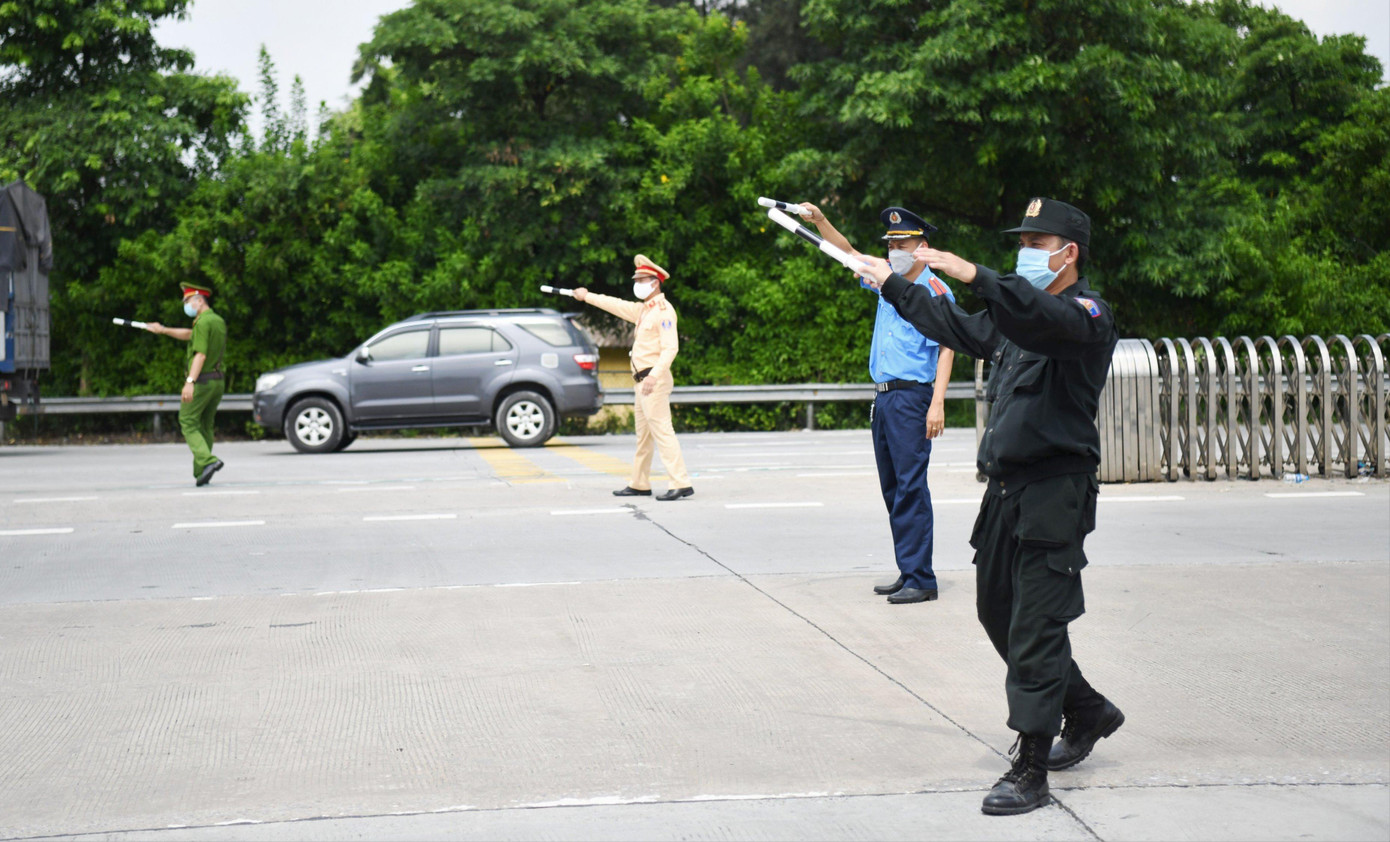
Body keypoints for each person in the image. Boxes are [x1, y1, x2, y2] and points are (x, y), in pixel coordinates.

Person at [858, 197, 1125, 816]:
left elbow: (1037, 315)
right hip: (1006, 491)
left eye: (1037, 243)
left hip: (1054, 493)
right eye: (1023, 242)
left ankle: (1031, 768)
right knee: (996, 610)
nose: (1026, 252)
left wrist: (976, 274)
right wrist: (896, 284)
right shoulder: (1015, 317)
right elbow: (961, 329)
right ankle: (1086, 709)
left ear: (1069, 252)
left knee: (1035, 625)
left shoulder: (1086, 315)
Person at [800, 203, 956, 605]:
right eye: (890, 244)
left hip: (912, 396)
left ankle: (922, 578)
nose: (893, 251)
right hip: (885, 396)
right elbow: (848, 254)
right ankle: (909, 571)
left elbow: (948, 346)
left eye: (902, 243)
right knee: (893, 489)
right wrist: (820, 221)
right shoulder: (888, 282)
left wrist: (937, 402)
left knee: (910, 488)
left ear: (922, 246)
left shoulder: (936, 290)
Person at [573, 255, 694, 501]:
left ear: (656, 282)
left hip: (653, 380)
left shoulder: (663, 311)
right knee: (644, 436)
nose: (637, 283)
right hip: (642, 381)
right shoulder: (643, 311)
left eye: (642, 279)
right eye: (636, 279)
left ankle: (680, 482)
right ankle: (639, 483)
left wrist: (654, 376)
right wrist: (587, 296)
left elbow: (671, 348)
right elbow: (615, 304)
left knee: (662, 431)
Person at [145, 283, 227, 487]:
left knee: (188, 421)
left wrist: (190, 382)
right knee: (205, 424)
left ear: (200, 301)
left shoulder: (202, 323)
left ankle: (208, 461)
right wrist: (162, 330)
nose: (186, 305)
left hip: (202, 381)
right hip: (217, 381)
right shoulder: (216, 321)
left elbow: (200, 354)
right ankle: (202, 471)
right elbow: (190, 336)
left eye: (188, 301)